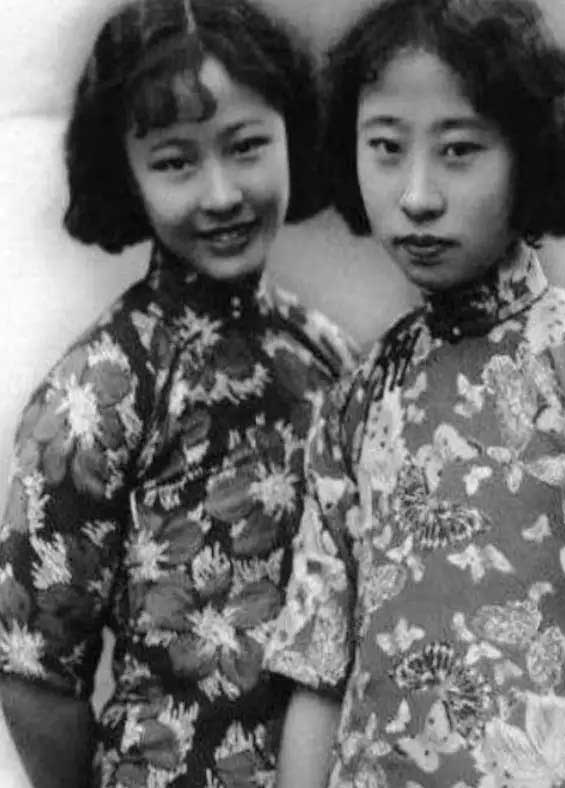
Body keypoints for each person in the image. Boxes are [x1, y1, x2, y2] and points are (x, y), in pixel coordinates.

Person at [263, 0, 565, 786]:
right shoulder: (358, 402)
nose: (417, 195)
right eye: (386, 148)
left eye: (459, 151)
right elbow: (317, 672)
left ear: (529, 156)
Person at [0, 0, 357, 785]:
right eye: (175, 163)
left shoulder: (327, 354)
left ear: (293, 135)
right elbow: (35, 674)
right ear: (125, 175)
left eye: (247, 146)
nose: (222, 194)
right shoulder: (100, 389)